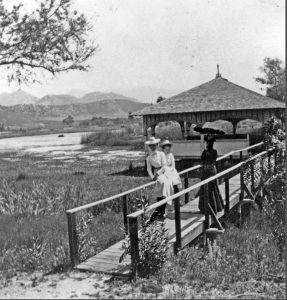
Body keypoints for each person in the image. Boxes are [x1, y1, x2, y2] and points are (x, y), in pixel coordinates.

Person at [146, 136, 174, 222]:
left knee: (164, 192)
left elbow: (164, 166)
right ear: (149, 147)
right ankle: (160, 214)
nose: (153, 147)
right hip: (156, 176)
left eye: (154, 145)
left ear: (157, 145)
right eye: (151, 146)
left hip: (164, 173)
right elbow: (149, 169)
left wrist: (157, 174)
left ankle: (154, 217)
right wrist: (152, 177)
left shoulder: (161, 154)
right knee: (159, 194)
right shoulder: (149, 158)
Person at [197, 134, 224, 214]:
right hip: (208, 170)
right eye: (207, 142)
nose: (207, 144)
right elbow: (204, 160)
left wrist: (206, 166)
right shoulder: (209, 152)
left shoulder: (210, 152)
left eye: (208, 143)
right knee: (208, 188)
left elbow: (209, 161)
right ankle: (209, 207)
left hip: (209, 171)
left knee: (209, 188)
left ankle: (210, 208)